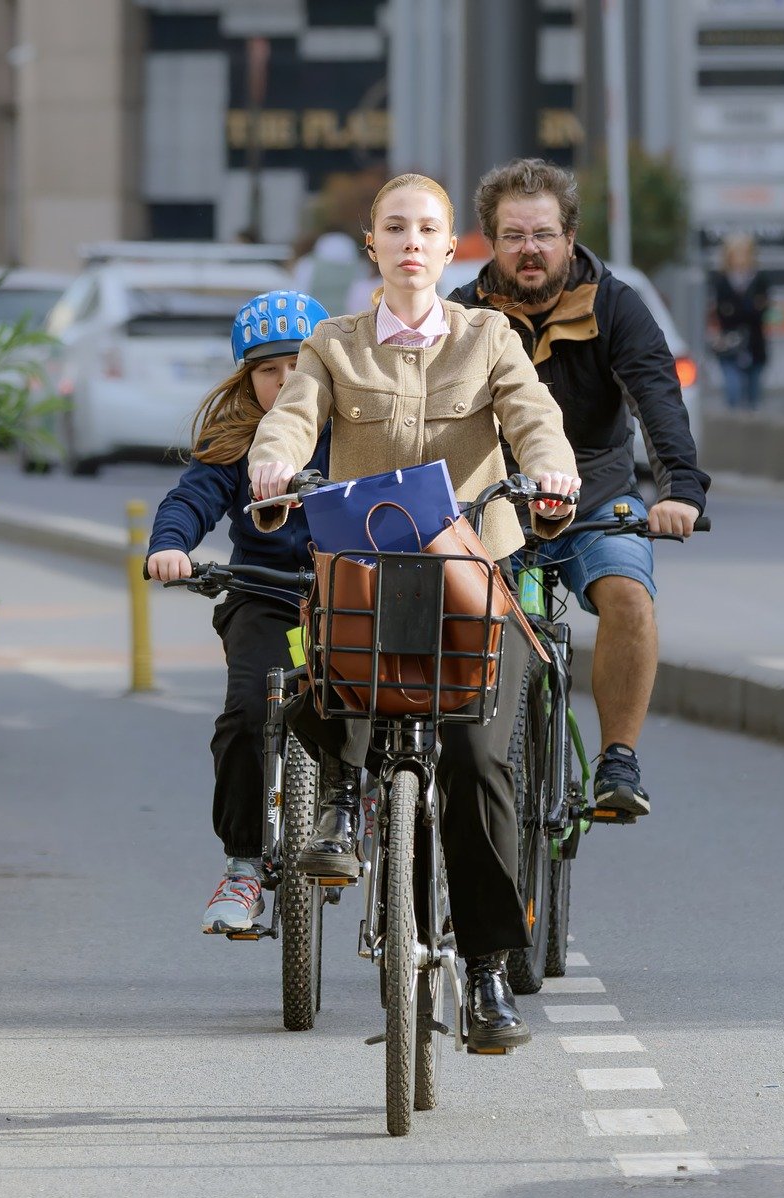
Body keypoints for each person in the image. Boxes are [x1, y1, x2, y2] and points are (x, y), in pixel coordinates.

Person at [247, 172, 580, 1051]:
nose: (409, 243)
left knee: (478, 761)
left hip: (473, 577)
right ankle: (334, 815)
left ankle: (482, 974)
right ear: (373, 245)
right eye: (393, 228)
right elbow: (290, 419)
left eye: (426, 229)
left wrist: (552, 474)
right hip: (369, 572)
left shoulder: (491, 338)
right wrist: (273, 466)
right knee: (325, 666)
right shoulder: (333, 344)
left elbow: (534, 420)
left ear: (447, 247)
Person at [449, 157, 710, 817]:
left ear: (569, 238)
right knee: (455, 620)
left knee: (628, 595)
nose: (528, 250)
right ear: (492, 242)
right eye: (513, 236)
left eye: (542, 234)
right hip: (495, 504)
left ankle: (617, 759)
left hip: (596, 497)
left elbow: (657, 396)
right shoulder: (462, 315)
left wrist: (679, 489)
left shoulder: (617, 306)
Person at [146, 290, 331, 934]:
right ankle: (245, 866)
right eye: (267, 370)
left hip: (358, 599)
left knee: (396, 712)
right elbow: (189, 500)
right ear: (246, 380)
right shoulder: (238, 440)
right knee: (252, 711)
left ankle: (384, 832)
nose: (283, 382)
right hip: (267, 595)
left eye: (297, 367)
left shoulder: (360, 429)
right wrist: (171, 546)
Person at [709, 232, 769, 410]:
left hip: (755, 345)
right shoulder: (721, 282)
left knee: (754, 398)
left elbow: (761, 311)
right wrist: (748, 308)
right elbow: (724, 314)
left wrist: (737, 310)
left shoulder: (760, 280)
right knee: (733, 392)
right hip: (730, 345)